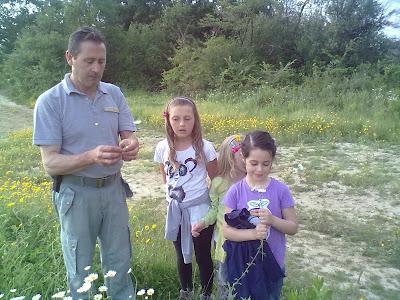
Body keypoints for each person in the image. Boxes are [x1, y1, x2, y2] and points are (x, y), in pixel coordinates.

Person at [33, 26, 138, 300]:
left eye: (101, 61)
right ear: (70, 57)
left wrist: (131, 144)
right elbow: (50, 165)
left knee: (121, 261)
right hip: (75, 194)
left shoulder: (114, 93)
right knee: (81, 268)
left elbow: (129, 134)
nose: (96, 68)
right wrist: (90, 157)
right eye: (88, 61)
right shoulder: (50, 102)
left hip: (114, 190)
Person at [154, 97, 218, 300]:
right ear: (168, 120)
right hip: (175, 210)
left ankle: (206, 293)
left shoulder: (205, 148)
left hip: (199, 211)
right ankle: (186, 291)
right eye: (176, 118)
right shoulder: (162, 147)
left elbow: (215, 179)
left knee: (202, 255)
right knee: (182, 254)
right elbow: (164, 175)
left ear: (195, 120)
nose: (182, 124)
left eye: (187, 118)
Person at [223, 130, 298, 300]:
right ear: (244, 158)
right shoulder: (235, 191)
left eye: (266, 164)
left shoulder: (281, 190)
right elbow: (226, 230)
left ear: (272, 161)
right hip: (245, 266)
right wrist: (252, 234)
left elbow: (293, 227)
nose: (259, 169)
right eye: (254, 163)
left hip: (272, 264)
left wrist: (272, 220)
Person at [191, 134, 246, 299]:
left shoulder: (252, 182)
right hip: (224, 241)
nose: (248, 159)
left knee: (245, 276)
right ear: (230, 158)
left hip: (247, 241)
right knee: (224, 278)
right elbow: (214, 209)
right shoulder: (219, 183)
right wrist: (203, 222)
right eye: (244, 155)